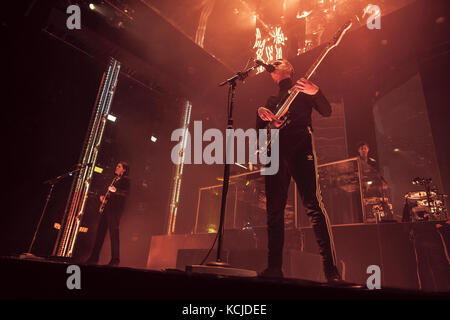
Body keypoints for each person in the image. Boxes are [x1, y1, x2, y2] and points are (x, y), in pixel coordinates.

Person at [256, 59, 341, 283]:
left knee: (313, 204)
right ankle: (274, 268)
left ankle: (331, 270)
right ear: (272, 76)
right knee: (274, 210)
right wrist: (263, 116)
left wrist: (316, 91)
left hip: (301, 146)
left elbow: (327, 111)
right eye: (272, 65)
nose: (273, 65)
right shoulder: (271, 100)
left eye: (279, 62)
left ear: (289, 69)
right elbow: (259, 130)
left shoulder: (302, 89)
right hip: (275, 152)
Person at [86, 162, 130, 266]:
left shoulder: (126, 180)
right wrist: (104, 198)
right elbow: (111, 194)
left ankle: (115, 260)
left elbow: (125, 193)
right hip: (107, 208)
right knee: (100, 234)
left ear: (124, 170)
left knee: (113, 234)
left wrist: (116, 190)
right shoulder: (115, 179)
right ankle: (94, 258)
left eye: (119, 166)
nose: (116, 167)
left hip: (115, 210)